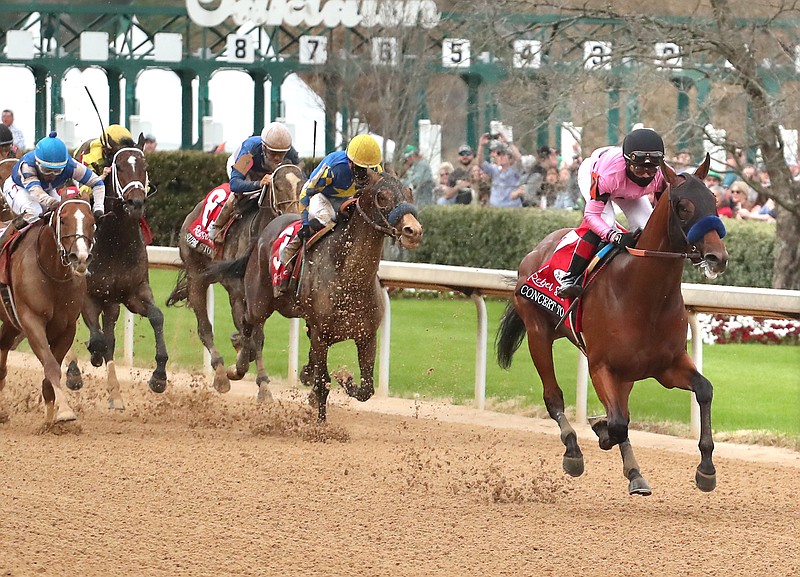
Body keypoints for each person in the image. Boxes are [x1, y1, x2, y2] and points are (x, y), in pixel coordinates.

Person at [556, 128, 667, 298]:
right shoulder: (609, 175)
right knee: (606, 221)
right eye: (639, 170)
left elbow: (661, 215)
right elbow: (591, 216)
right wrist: (615, 236)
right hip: (598, 174)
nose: (645, 175)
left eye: (651, 170)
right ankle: (570, 278)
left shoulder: (662, 175)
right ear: (628, 162)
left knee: (647, 227)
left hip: (626, 188)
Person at [276, 134, 382, 296]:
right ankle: (291, 249)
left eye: (368, 169)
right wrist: (305, 223)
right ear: (350, 162)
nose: (364, 173)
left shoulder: (376, 172)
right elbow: (306, 192)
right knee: (327, 218)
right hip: (323, 197)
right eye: (360, 168)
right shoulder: (333, 168)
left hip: (350, 200)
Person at [0, 131, 105, 247]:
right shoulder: (27, 165)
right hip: (19, 187)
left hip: (46, 189)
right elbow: (36, 191)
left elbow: (98, 183)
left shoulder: (71, 166)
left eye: (57, 171)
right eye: (47, 170)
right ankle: (4, 243)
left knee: (61, 215)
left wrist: (99, 208)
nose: (52, 175)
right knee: (34, 212)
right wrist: (53, 202)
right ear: (37, 163)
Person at [207, 122, 293, 243]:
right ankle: (217, 226)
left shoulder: (289, 150)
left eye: (281, 154)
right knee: (240, 194)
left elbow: (297, 175)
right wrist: (258, 184)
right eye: (273, 154)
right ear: (264, 147)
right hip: (244, 170)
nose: (277, 159)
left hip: (265, 171)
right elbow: (235, 184)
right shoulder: (250, 149)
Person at [476, 133, 524, 207]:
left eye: (503, 154)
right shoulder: (494, 170)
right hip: (495, 208)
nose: (500, 157)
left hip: (512, 208)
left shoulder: (515, 170)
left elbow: (521, 160)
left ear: (509, 157)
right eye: (498, 154)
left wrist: (508, 143)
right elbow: (480, 163)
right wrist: (481, 145)